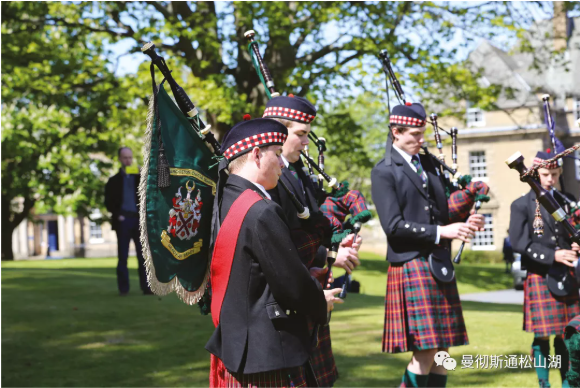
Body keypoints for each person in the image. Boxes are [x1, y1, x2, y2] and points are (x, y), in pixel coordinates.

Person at [206, 117, 343, 387]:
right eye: (278, 154)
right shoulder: (260, 209)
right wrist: (320, 300)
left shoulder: (227, 198)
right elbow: (291, 286)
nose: (282, 164)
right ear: (256, 155)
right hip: (265, 350)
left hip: (238, 344)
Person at [371, 102, 484, 388]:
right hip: (412, 262)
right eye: (416, 135)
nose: (422, 141)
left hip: (437, 263)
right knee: (425, 350)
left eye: (423, 134)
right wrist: (442, 232)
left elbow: (443, 209)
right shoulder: (384, 171)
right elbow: (393, 226)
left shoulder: (428, 164)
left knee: (443, 350)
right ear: (396, 132)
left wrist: (469, 217)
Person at [263, 94, 362, 387]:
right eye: (301, 135)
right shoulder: (271, 177)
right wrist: (330, 257)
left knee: (317, 379)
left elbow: (310, 228)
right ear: (279, 132)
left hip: (308, 285)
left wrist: (334, 249)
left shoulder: (296, 173)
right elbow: (284, 241)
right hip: (288, 293)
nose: (307, 143)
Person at [509, 151, 580, 388]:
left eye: (555, 174)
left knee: (567, 334)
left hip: (567, 276)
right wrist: (554, 255)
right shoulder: (521, 205)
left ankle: (568, 384)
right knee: (541, 335)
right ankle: (544, 384)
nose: (550, 179)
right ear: (535, 174)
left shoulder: (568, 200)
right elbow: (520, 243)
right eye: (545, 174)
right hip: (540, 273)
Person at [104, 147, 151, 296]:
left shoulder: (139, 177)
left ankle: (146, 288)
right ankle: (123, 289)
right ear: (119, 159)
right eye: (125, 158)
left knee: (142, 256)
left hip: (138, 220)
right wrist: (118, 215)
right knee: (122, 256)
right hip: (123, 220)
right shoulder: (113, 181)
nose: (128, 160)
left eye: (130, 157)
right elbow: (108, 202)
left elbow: (150, 190)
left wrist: (143, 174)